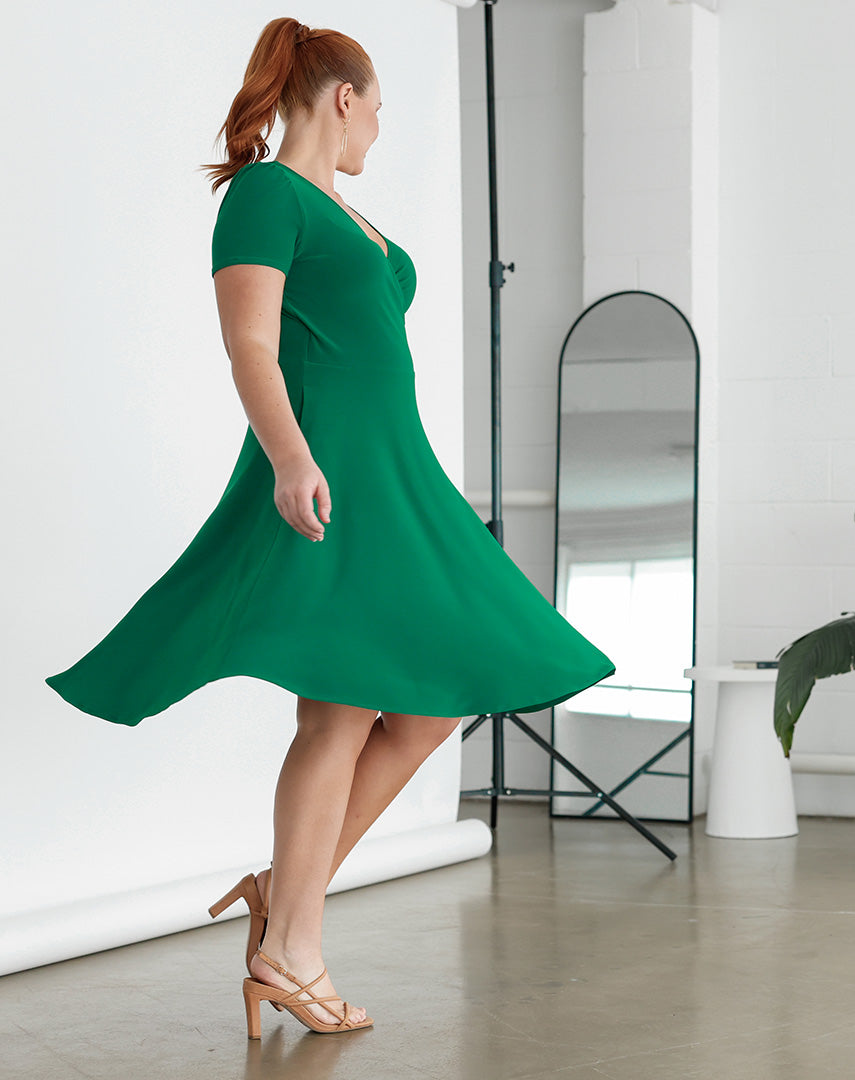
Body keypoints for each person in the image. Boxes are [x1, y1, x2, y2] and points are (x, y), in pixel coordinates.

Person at [44, 17, 616, 1039]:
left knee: (430, 709)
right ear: (344, 97)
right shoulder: (264, 197)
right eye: (379, 109)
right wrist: (292, 457)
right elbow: (251, 346)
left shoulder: (341, 212)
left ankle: (282, 906)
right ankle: (290, 947)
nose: (380, 131)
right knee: (342, 714)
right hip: (332, 479)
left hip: (397, 480)